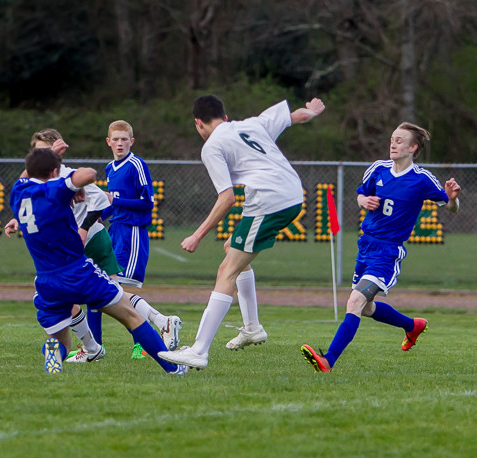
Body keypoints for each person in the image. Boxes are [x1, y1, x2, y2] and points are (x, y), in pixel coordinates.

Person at [158, 94, 326, 370]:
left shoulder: (212, 146)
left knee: (226, 271)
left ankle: (199, 351)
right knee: (230, 250)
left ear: (198, 123)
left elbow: (226, 199)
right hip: (292, 194)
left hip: (269, 201)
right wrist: (312, 111)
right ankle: (252, 327)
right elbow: (298, 116)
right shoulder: (252, 124)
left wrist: (196, 235)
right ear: (225, 117)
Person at [4, 129, 181, 363]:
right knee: (99, 297)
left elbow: (99, 201)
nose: (38, 156)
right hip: (67, 253)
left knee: (108, 297)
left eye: (43, 152)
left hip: (88, 242)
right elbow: (35, 205)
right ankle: (98, 345)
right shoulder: (32, 186)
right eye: (36, 152)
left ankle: (101, 345)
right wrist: (19, 219)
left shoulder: (65, 175)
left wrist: (84, 229)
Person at [301, 123, 460, 372]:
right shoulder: (378, 169)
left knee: (354, 302)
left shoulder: (421, 179)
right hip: (365, 245)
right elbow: (360, 195)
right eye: (392, 139)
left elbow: (451, 208)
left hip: (387, 252)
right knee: (365, 308)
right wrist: (363, 200)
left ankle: (328, 361)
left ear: (413, 147)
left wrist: (452, 198)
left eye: (399, 141)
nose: (393, 144)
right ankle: (412, 325)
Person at [104, 120, 181, 359]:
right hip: (115, 231)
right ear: (108, 142)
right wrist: (94, 219)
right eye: (115, 139)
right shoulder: (110, 168)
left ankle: (159, 325)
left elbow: (148, 202)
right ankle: (147, 336)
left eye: (124, 139)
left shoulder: (136, 165)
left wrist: (114, 202)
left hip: (133, 232)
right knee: (109, 289)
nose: (119, 143)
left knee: (118, 291)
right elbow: (111, 204)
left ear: (131, 141)